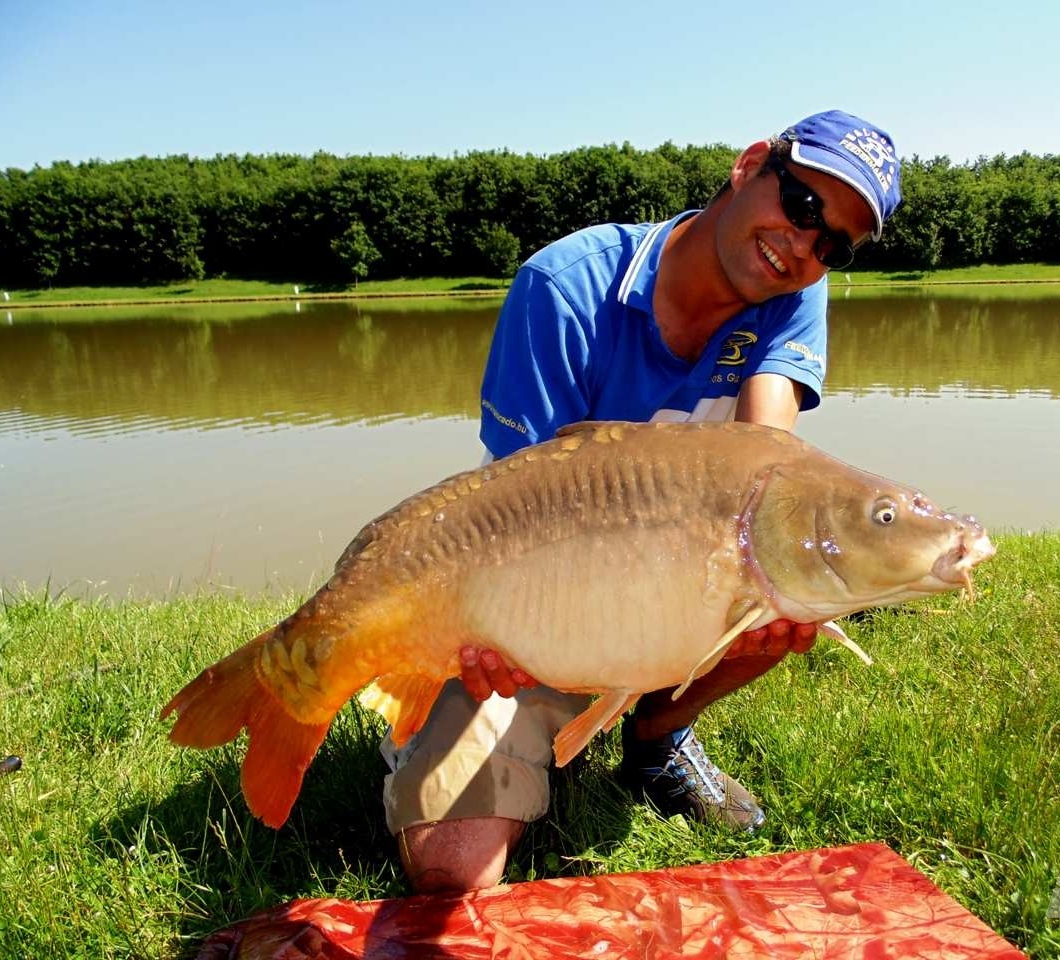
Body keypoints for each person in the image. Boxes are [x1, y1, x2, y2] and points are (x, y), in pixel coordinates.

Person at [382, 109, 903, 893]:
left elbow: (770, 463)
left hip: (673, 584)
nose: (803, 247)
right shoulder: (565, 287)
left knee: (787, 576)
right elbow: (514, 515)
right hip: (541, 593)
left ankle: (657, 736)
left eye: (833, 244)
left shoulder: (795, 292)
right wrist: (499, 639)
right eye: (801, 208)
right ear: (751, 163)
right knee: (454, 871)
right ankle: (414, 717)